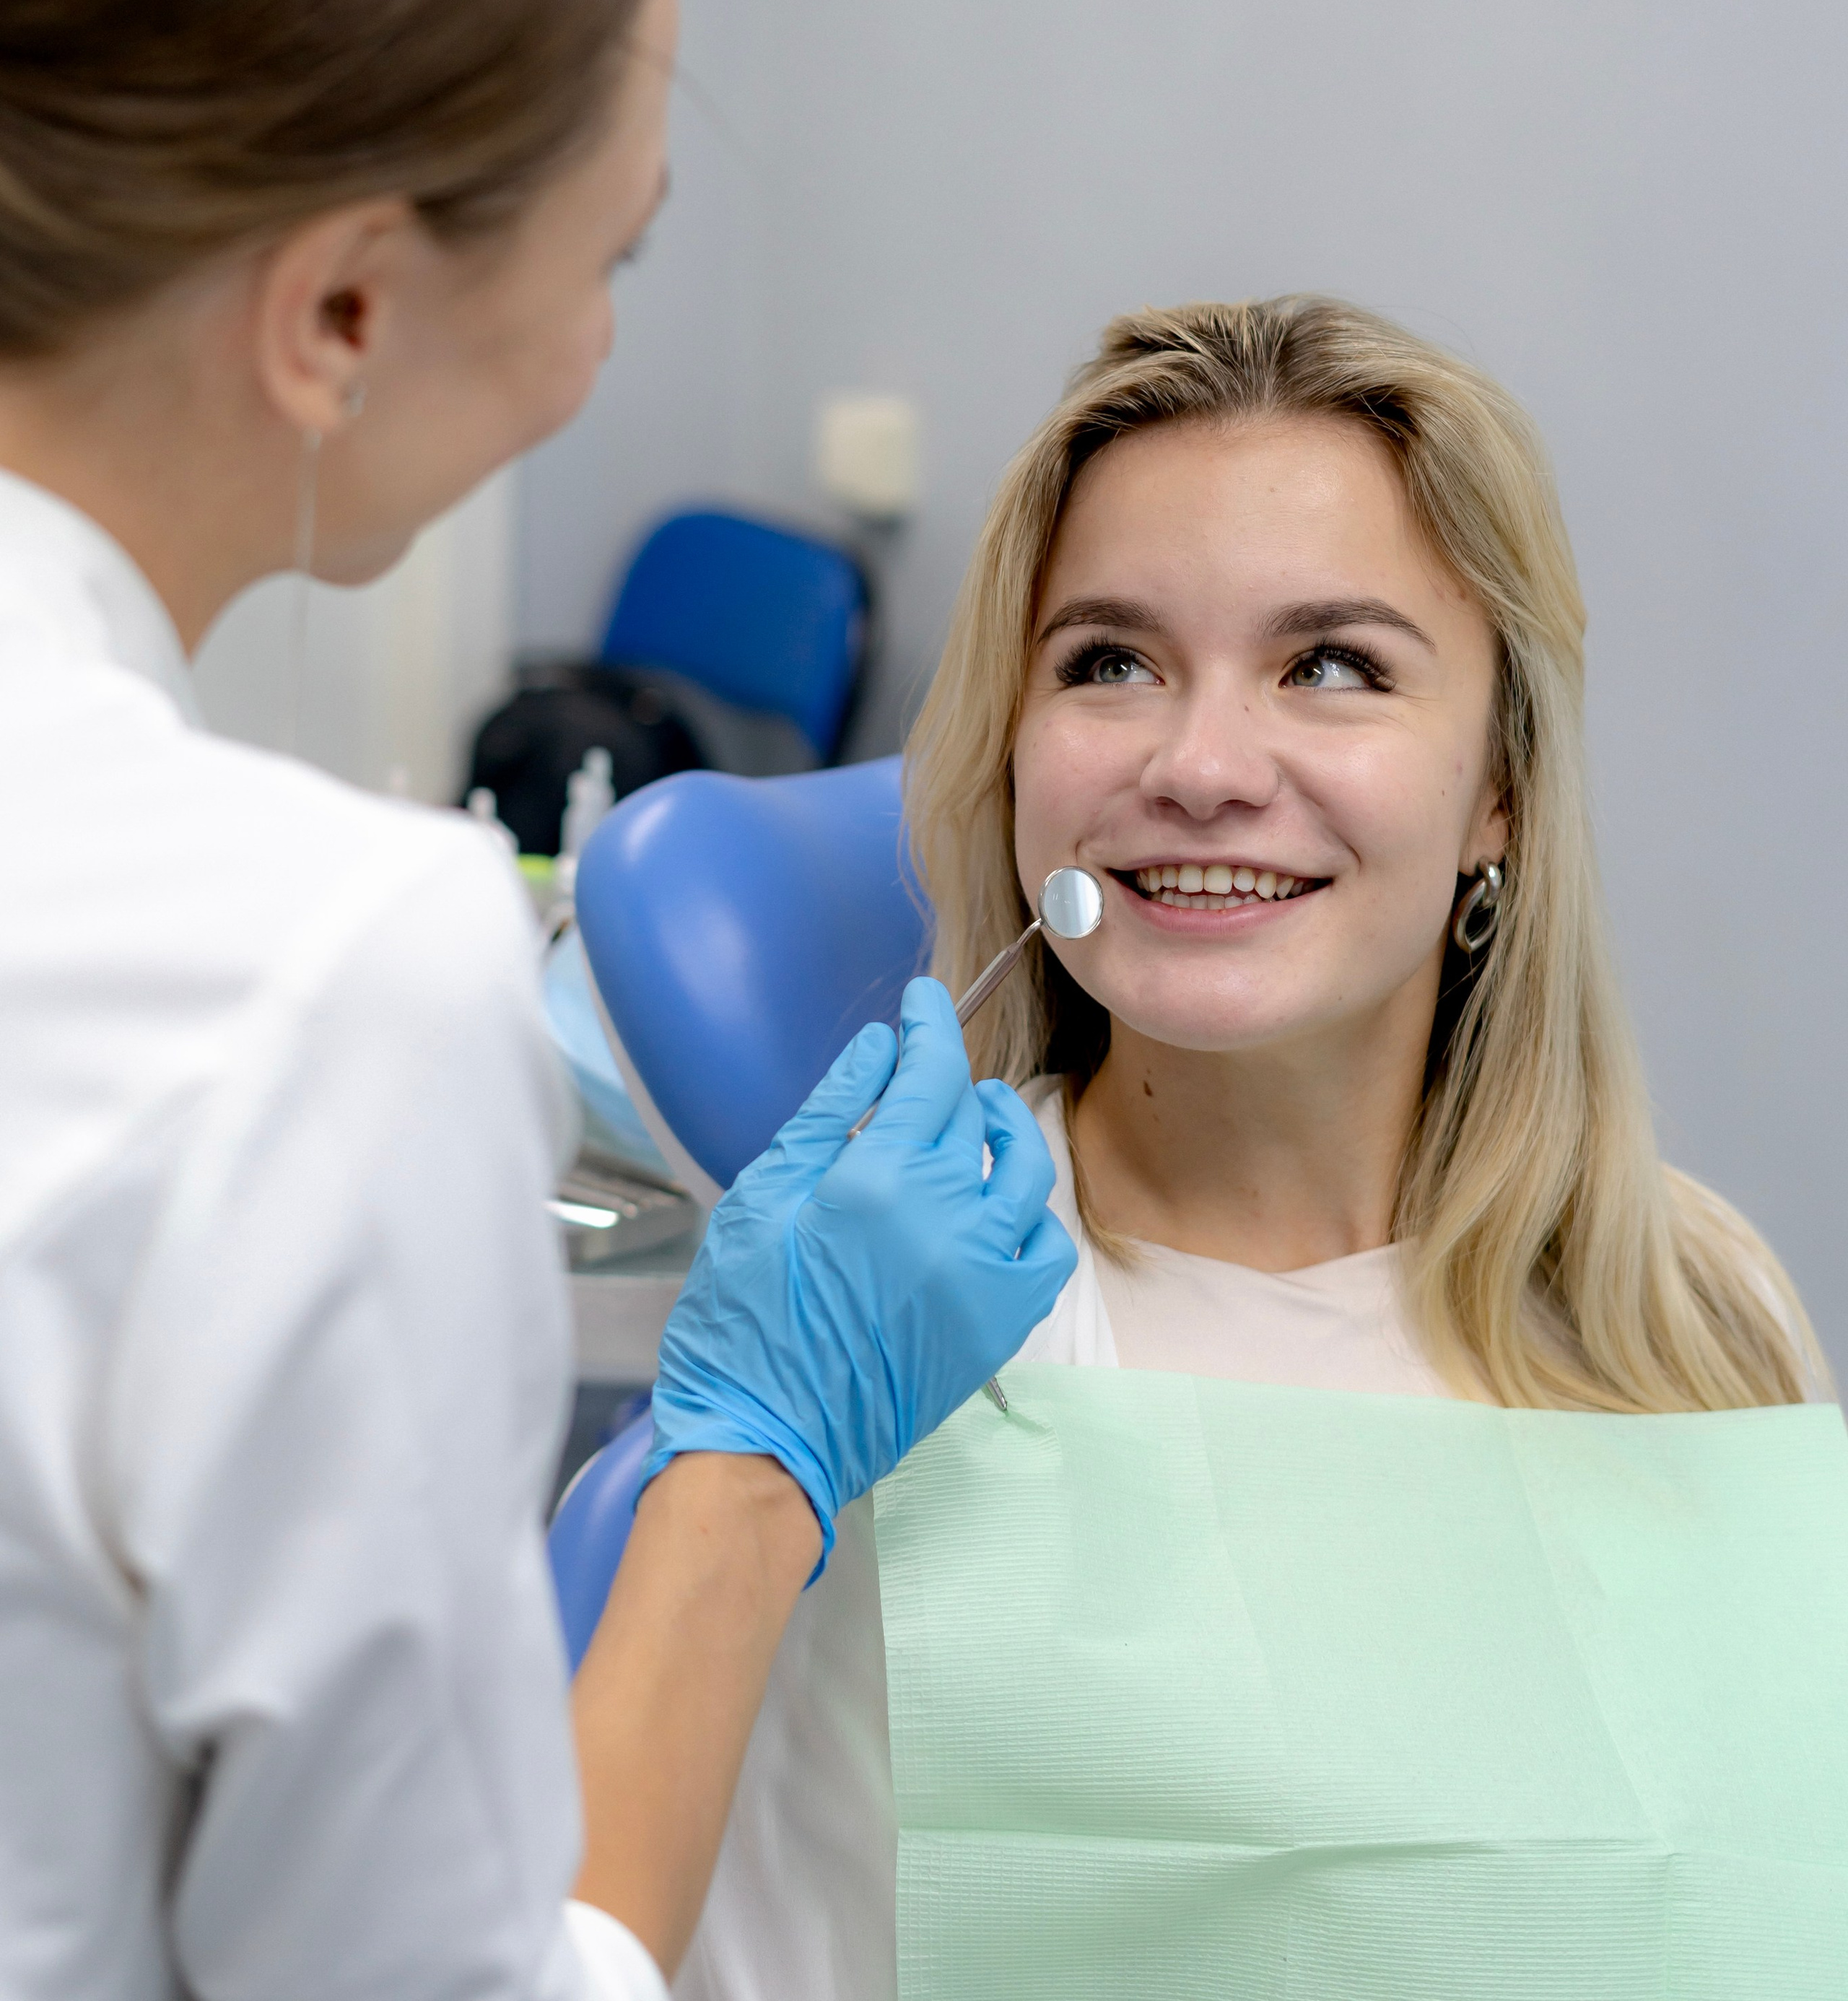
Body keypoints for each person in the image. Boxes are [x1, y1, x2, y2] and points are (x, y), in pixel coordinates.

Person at [0, 0, 1073, 2001]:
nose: (603, 350)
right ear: (349, 306)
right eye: (614, 254)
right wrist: (754, 1459)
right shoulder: (300, 969)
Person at [679, 293, 1848, 2000]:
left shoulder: (1690, 1306)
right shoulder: (885, 1324)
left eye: (1329, 665)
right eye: (1107, 661)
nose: (1198, 763)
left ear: (1497, 787)